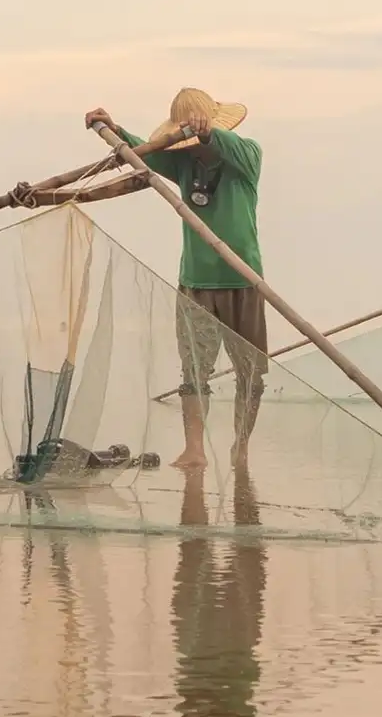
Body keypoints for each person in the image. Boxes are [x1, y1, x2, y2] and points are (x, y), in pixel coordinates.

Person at [83, 90, 267, 470]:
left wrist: (209, 134)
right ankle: (194, 448)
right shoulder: (183, 164)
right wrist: (114, 130)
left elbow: (234, 145)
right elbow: (143, 152)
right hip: (196, 283)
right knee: (194, 371)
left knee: (251, 373)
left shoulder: (247, 156)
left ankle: (242, 447)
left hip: (243, 281)